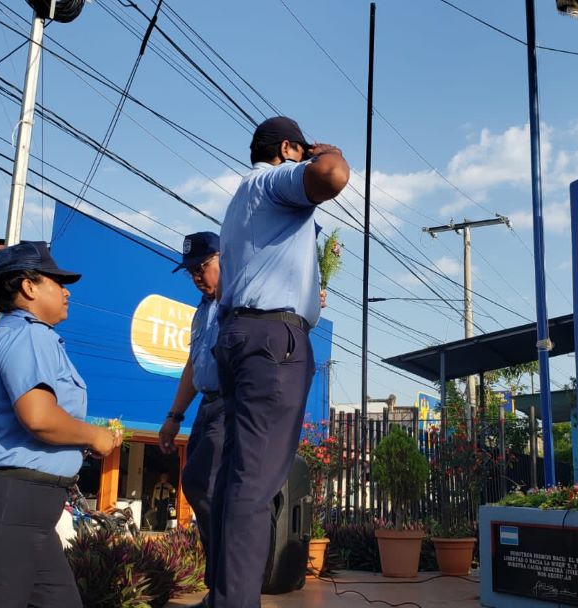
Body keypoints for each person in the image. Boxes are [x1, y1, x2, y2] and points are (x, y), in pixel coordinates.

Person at [210, 116, 349, 607]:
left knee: (234, 479)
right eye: (300, 149)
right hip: (274, 341)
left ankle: (222, 595)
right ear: (288, 148)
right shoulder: (275, 180)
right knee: (257, 482)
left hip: (240, 336)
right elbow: (332, 176)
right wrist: (324, 153)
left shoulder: (239, 201)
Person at [0, 241, 121, 608]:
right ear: (29, 287)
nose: (66, 291)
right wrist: (95, 436)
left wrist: (73, 440)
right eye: (57, 282)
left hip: (25, 514)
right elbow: (39, 418)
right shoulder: (28, 333)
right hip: (7, 510)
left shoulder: (22, 334)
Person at [158, 231, 224, 603]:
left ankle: (230, 585)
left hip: (233, 404)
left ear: (223, 258)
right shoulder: (202, 309)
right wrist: (174, 415)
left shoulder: (240, 299)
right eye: (191, 271)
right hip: (207, 405)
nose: (197, 276)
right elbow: (193, 366)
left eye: (203, 266)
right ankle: (219, 588)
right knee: (197, 487)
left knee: (205, 483)